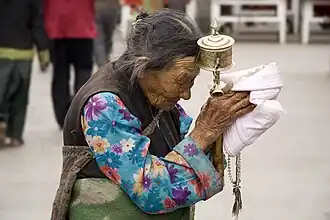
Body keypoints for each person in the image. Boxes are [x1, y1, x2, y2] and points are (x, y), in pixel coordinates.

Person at [51, 9, 255, 220]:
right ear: (145, 65)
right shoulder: (104, 105)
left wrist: (221, 126)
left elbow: (189, 143)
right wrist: (205, 132)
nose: (186, 94)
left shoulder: (157, 96)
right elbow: (150, 191)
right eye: (181, 81)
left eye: (191, 82)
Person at [0, 0, 49, 146]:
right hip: (23, 52)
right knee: (20, 97)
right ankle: (15, 134)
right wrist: (43, 51)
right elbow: (37, 23)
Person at [44, 0, 96, 129]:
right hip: (82, 27)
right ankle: (80, 113)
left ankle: (63, 117)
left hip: (56, 29)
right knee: (83, 75)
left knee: (60, 75)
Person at [94, 0, 121, 68]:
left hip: (97, 8)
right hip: (112, 8)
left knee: (99, 40)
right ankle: (104, 62)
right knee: (107, 38)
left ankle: (102, 64)